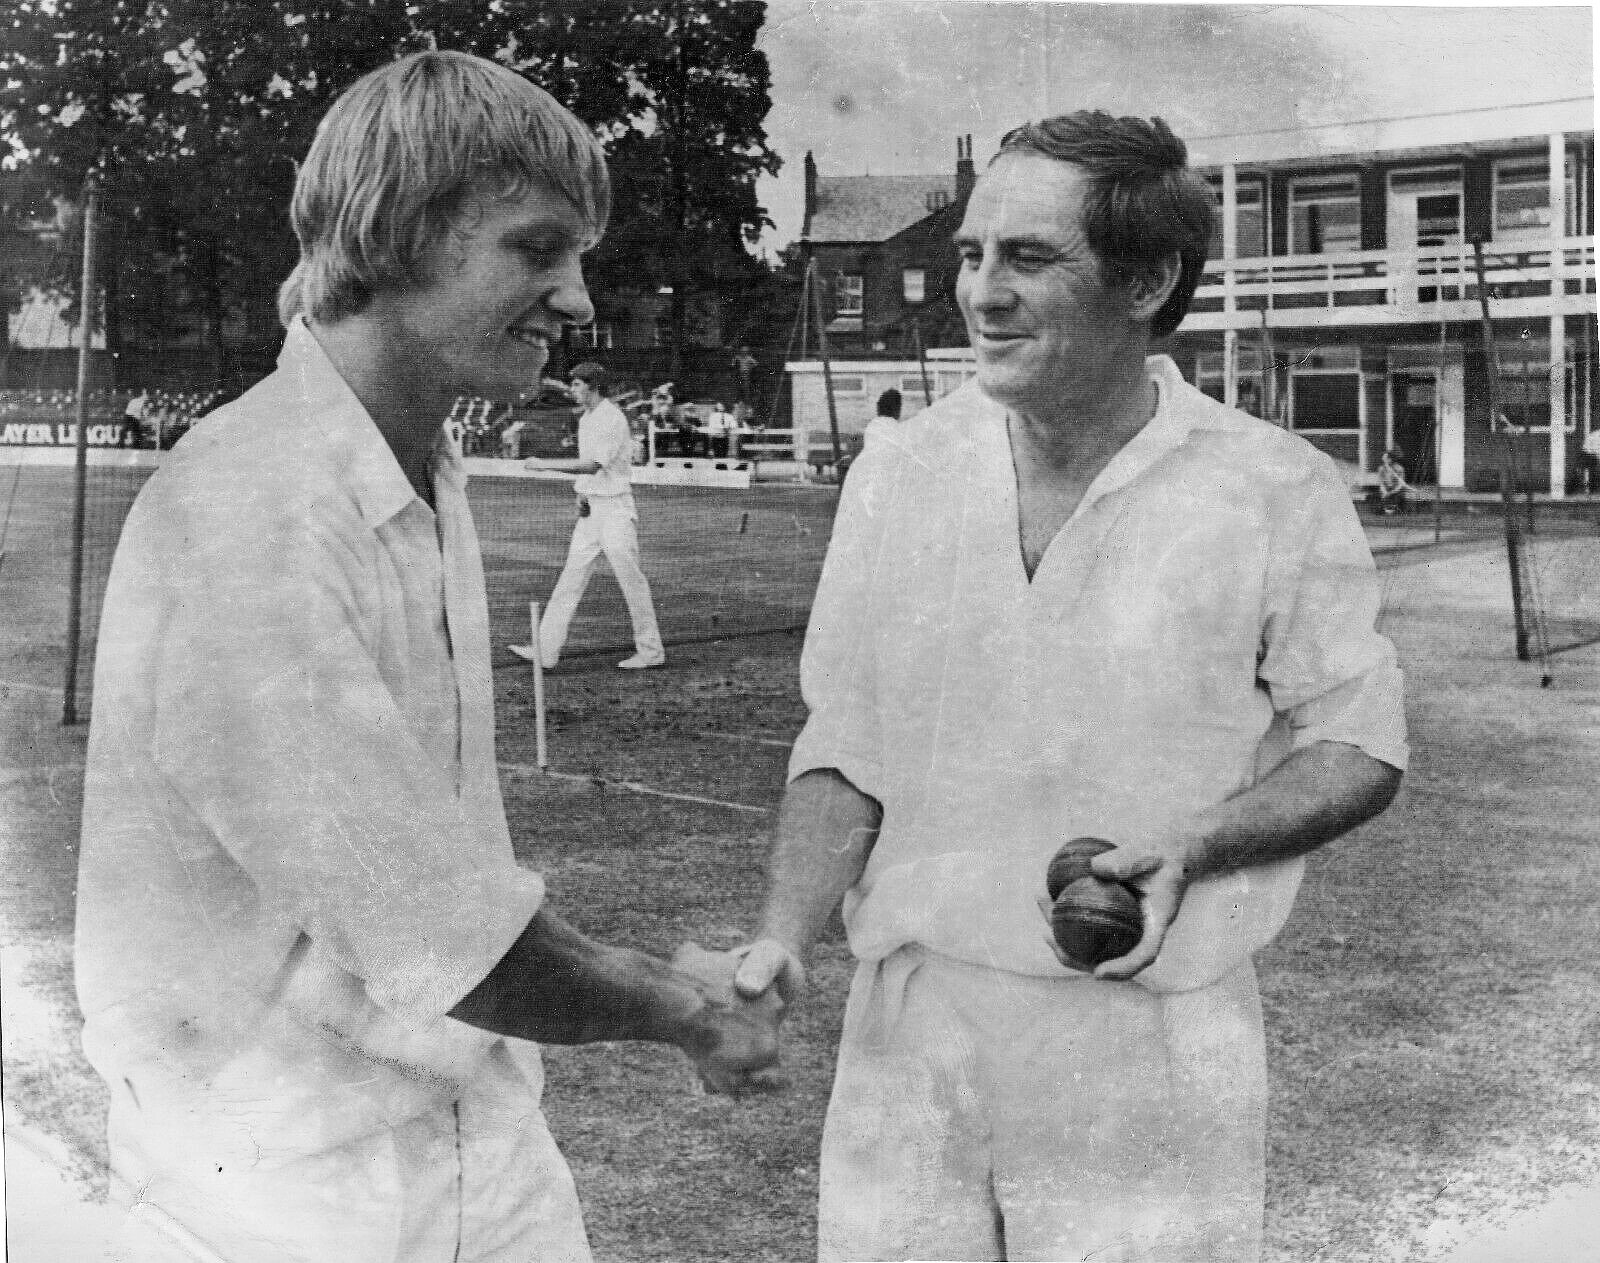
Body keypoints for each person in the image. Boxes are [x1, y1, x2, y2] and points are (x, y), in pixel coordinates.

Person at [75, 51, 779, 1263]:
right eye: (537, 250)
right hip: (269, 1181)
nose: (577, 301)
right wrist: (684, 1008)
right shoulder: (254, 502)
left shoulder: (420, 466)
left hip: (473, 1121)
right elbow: (431, 930)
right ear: (400, 235)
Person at [704, 111, 1407, 1262]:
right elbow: (847, 740)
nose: (979, 291)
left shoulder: (1271, 486)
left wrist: (1195, 846)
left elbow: (1359, 742)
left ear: (1146, 282)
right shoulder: (901, 475)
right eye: (975, 254)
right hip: (910, 1028)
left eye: (1027, 259)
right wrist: (783, 933)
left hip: (1147, 1044)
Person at [520, 361, 666, 670]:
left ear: (593, 386)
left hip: (615, 511)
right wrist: (582, 495)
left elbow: (594, 464)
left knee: (631, 581)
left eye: (576, 385)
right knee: (570, 578)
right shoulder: (586, 418)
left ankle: (651, 652)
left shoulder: (612, 418)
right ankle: (545, 650)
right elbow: (589, 469)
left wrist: (544, 464)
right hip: (593, 511)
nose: (572, 390)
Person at [1377, 448, 1410, 514]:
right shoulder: (1381, 468)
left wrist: (1391, 492)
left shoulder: (1399, 468)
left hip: (1396, 490)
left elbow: (1400, 485)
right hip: (1386, 490)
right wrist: (1385, 491)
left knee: (1395, 498)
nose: (1384, 460)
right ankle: (1386, 509)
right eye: (1383, 458)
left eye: (1386, 459)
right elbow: (1381, 483)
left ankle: (1394, 509)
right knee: (1379, 498)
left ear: (1391, 459)